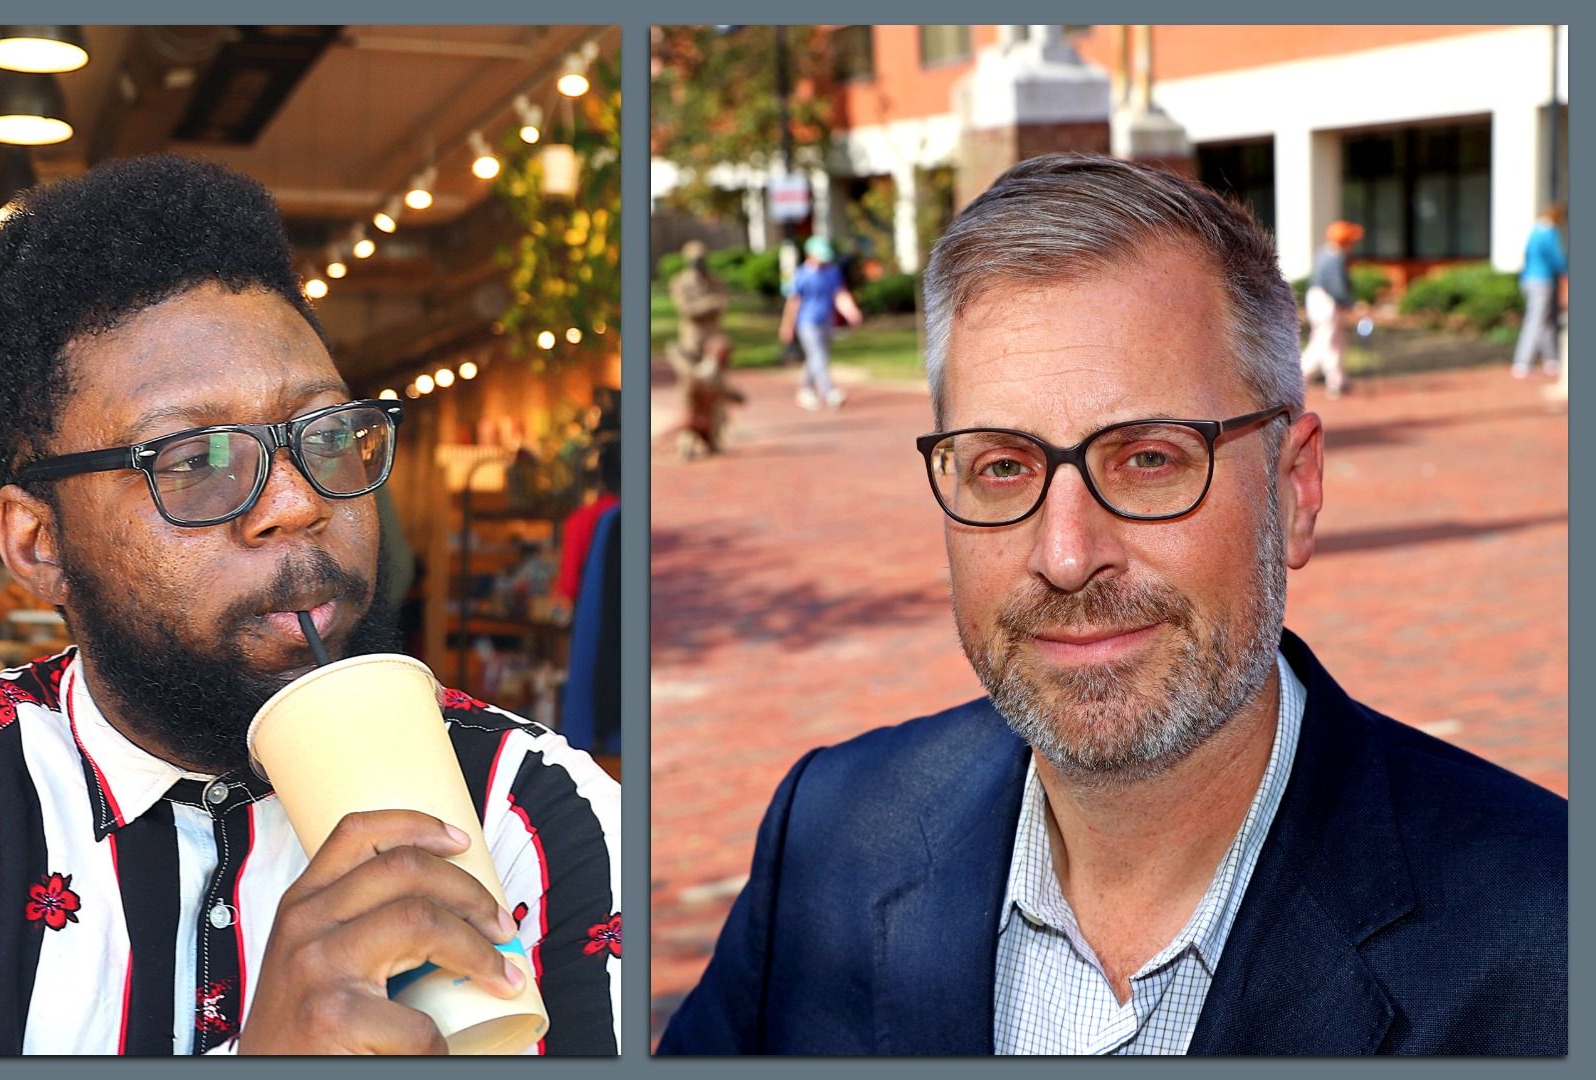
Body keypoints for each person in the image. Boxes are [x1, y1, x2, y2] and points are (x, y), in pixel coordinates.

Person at [659, 154, 1564, 1056]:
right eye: (1003, 466)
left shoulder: (1548, 936)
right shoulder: (831, 835)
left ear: (1294, 489)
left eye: (1150, 460)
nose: (1065, 554)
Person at [0, 155, 621, 1056]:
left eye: (324, 435)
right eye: (195, 462)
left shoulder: (538, 814)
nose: (298, 502)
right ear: (39, 544)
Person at [665, 241, 742, 457]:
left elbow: (723, 303)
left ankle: (713, 435)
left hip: (714, 339)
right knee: (691, 388)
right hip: (692, 343)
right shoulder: (680, 282)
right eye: (695, 260)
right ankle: (688, 437)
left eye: (701, 259)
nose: (699, 264)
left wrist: (706, 305)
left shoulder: (714, 280)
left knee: (715, 390)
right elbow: (688, 310)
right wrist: (710, 304)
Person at [779, 235, 864, 410]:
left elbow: (840, 295)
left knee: (816, 357)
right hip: (807, 322)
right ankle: (829, 392)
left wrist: (851, 312)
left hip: (826, 321)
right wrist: (787, 326)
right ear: (810, 254)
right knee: (819, 356)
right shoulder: (801, 275)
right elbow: (793, 302)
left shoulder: (832, 273)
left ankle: (805, 390)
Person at [1299, 220, 1364, 399]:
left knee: (1335, 341)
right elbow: (1337, 287)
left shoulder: (1325, 253)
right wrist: (1352, 304)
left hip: (1320, 300)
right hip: (1325, 302)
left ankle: (1338, 381)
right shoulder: (1335, 257)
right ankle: (1298, 382)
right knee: (1323, 342)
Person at [1512, 203, 1568, 379]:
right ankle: (1522, 362)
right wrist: (1565, 272)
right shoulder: (1549, 232)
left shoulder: (1535, 231)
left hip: (1528, 279)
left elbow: (1527, 256)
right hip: (1542, 281)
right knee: (1536, 320)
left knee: (1547, 320)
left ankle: (1551, 359)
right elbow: (1556, 257)